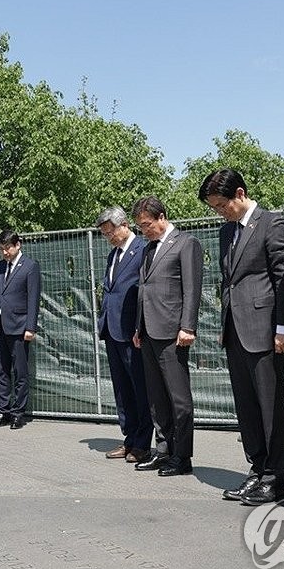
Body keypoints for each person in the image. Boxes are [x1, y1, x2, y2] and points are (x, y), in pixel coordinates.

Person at [201, 169, 284, 505]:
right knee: (247, 408)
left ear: (240, 194)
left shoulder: (273, 224)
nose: (219, 211)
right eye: (214, 207)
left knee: (271, 408)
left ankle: (275, 479)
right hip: (235, 330)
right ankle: (256, 471)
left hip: (266, 330)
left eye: (222, 204)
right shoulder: (227, 232)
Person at [131, 196, 203, 477]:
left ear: (162, 217)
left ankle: (182, 456)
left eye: (147, 225)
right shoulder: (149, 249)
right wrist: (138, 328)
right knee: (156, 398)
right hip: (148, 332)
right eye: (140, 227)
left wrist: (188, 326)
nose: (144, 231)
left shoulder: (186, 244)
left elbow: (192, 289)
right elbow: (143, 290)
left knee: (178, 399)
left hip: (173, 332)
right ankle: (163, 451)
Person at [95, 206, 153, 464]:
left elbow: (142, 291)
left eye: (111, 232)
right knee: (122, 390)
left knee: (139, 388)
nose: (109, 238)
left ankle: (143, 443)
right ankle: (129, 438)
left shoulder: (142, 250)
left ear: (124, 225)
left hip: (131, 331)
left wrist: (140, 326)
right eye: (105, 234)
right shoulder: (113, 255)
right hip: (111, 329)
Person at [0, 229, 41, 429]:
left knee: (20, 371)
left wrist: (30, 327)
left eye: (7, 247)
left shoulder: (30, 266)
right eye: (2, 249)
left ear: (18, 245)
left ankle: (18, 413)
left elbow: (33, 298)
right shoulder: (0, 267)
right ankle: (3, 411)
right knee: (1, 371)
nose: (5, 252)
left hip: (19, 327)